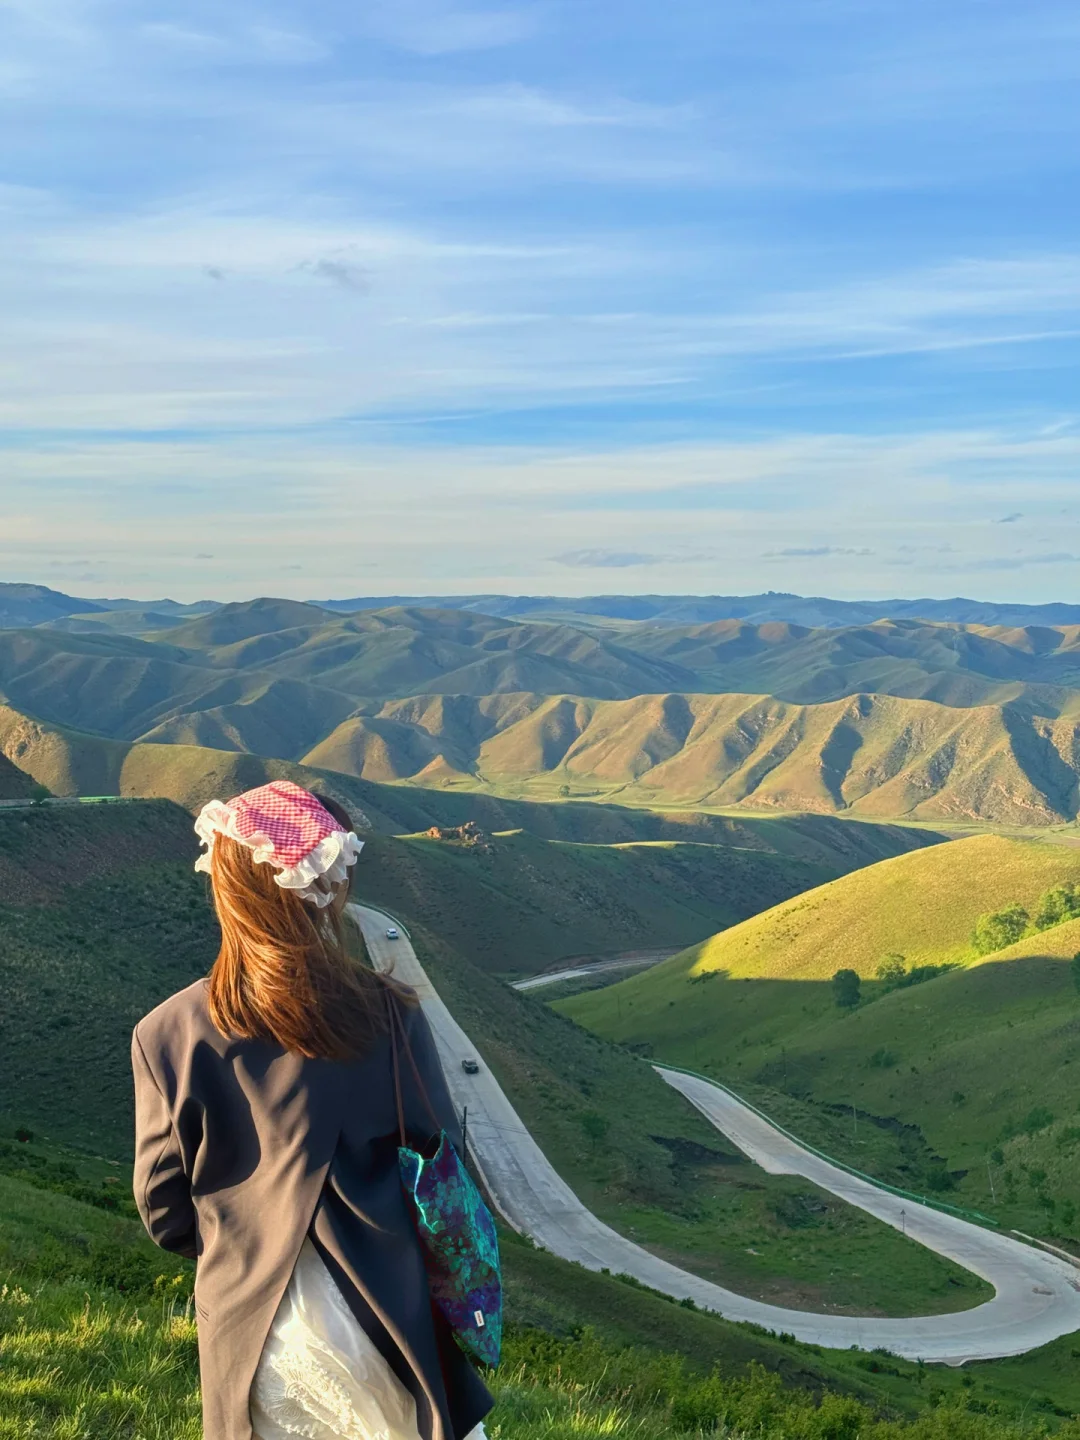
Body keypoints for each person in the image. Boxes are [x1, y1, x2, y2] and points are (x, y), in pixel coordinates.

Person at [131, 779, 494, 1440]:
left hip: (257, 1339)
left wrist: (248, 1241)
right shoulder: (387, 1011)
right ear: (327, 885)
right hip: (389, 1325)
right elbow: (442, 1156)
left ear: (228, 887)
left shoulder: (167, 1032)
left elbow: (164, 1212)